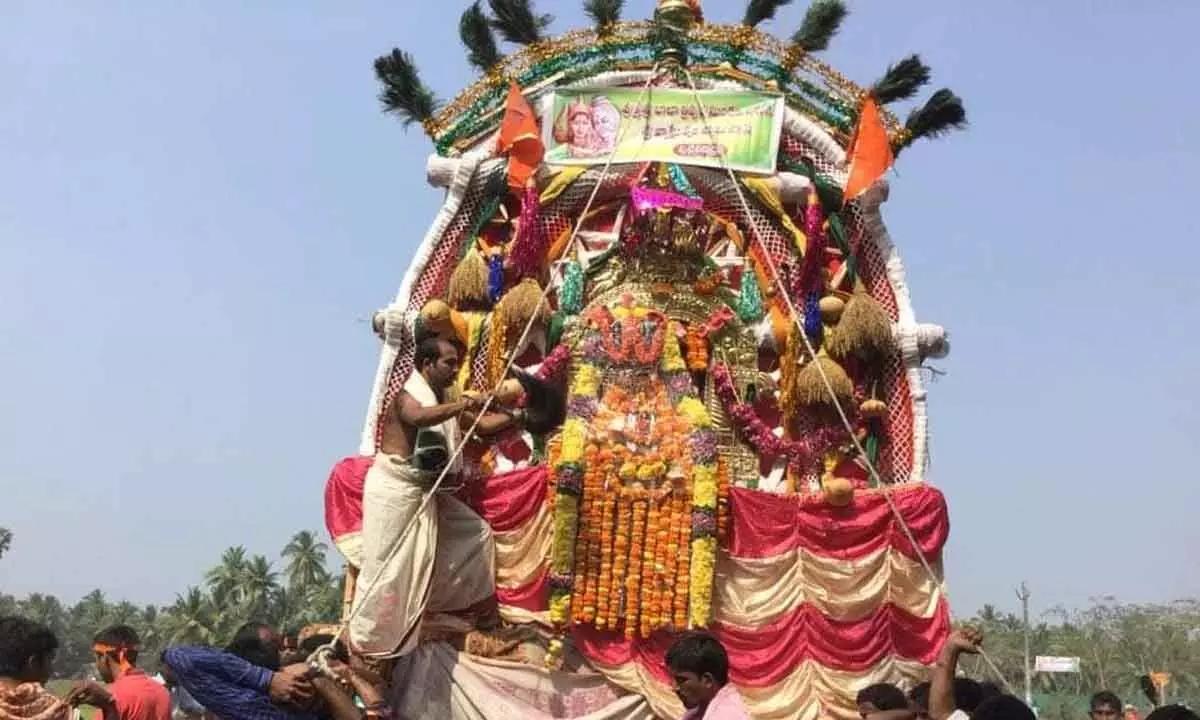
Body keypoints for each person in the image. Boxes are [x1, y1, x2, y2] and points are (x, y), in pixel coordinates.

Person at [348, 334, 528, 659]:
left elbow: (482, 426)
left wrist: (523, 416)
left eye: (457, 364)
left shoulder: (440, 399)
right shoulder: (407, 396)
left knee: (477, 533)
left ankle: (468, 616)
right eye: (449, 364)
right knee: (386, 570)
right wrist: (462, 403)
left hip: (424, 493)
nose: (455, 371)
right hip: (394, 492)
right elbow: (418, 417)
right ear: (427, 363)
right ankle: (365, 647)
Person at [66, 625, 170, 720]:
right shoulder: (162, 692)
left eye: (97, 658)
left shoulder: (112, 696)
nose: (97, 665)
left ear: (104, 657)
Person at [0, 616, 72, 720]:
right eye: (50, 660)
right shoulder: (60, 712)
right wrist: (104, 702)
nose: (50, 671)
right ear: (33, 663)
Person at [664, 632, 749, 720]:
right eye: (672, 679)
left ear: (707, 680)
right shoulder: (701, 710)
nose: (674, 688)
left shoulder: (726, 715)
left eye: (681, 680)